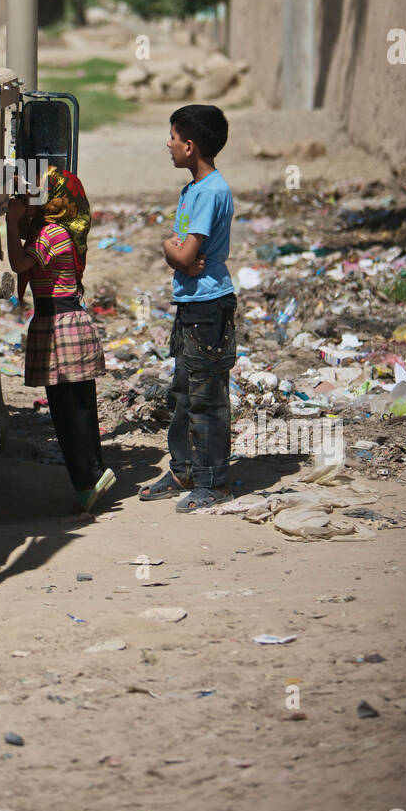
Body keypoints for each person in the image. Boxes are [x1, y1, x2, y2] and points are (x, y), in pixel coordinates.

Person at [140, 104, 237, 512]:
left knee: (206, 397)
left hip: (208, 306)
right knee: (182, 392)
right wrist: (173, 250)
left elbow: (183, 256)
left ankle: (211, 480)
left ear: (191, 145)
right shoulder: (192, 191)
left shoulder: (212, 191)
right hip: (191, 305)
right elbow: (180, 254)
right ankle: (182, 469)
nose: (169, 144)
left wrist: (168, 248)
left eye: (174, 138)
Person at [5, 165, 115, 512]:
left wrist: (10, 222)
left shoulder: (51, 234)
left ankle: (87, 480)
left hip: (59, 326)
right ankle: (92, 474)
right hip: (68, 322)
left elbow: (19, 263)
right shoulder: (58, 230)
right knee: (79, 406)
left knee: (67, 410)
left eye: (40, 192)